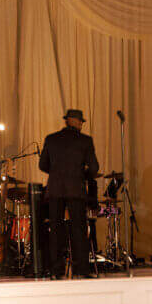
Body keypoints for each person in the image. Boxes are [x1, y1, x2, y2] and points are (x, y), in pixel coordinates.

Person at [39, 109, 99, 279]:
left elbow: (43, 165)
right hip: (75, 189)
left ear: (67, 121)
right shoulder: (85, 141)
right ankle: (81, 270)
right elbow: (94, 168)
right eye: (81, 122)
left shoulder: (51, 139)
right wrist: (80, 174)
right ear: (78, 122)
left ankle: (56, 270)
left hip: (56, 189)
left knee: (56, 230)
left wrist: (58, 172)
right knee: (78, 230)